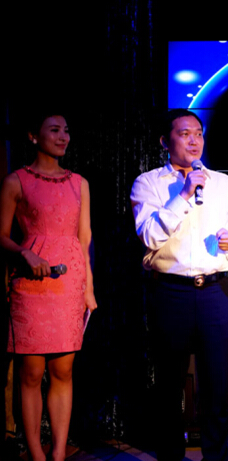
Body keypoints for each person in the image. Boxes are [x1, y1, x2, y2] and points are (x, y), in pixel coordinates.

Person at [130, 109, 228, 461]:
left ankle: (216, 457)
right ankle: (171, 456)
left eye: (198, 133)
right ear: (165, 142)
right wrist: (183, 195)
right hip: (171, 292)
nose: (194, 140)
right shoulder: (148, 184)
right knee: (170, 386)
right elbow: (149, 236)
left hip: (215, 291)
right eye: (184, 134)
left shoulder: (222, 184)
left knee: (217, 386)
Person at [1, 112, 97, 461]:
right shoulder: (16, 181)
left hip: (68, 283)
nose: (62, 137)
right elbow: (1, 235)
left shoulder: (79, 183)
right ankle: (36, 454)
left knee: (63, 370)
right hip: (31, 284)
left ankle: (57, 454)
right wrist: (23, 251)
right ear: (33, 136)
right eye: (54, 130)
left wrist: (88, 288)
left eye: (66, 131)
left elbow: (84, 238)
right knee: (30, 373)